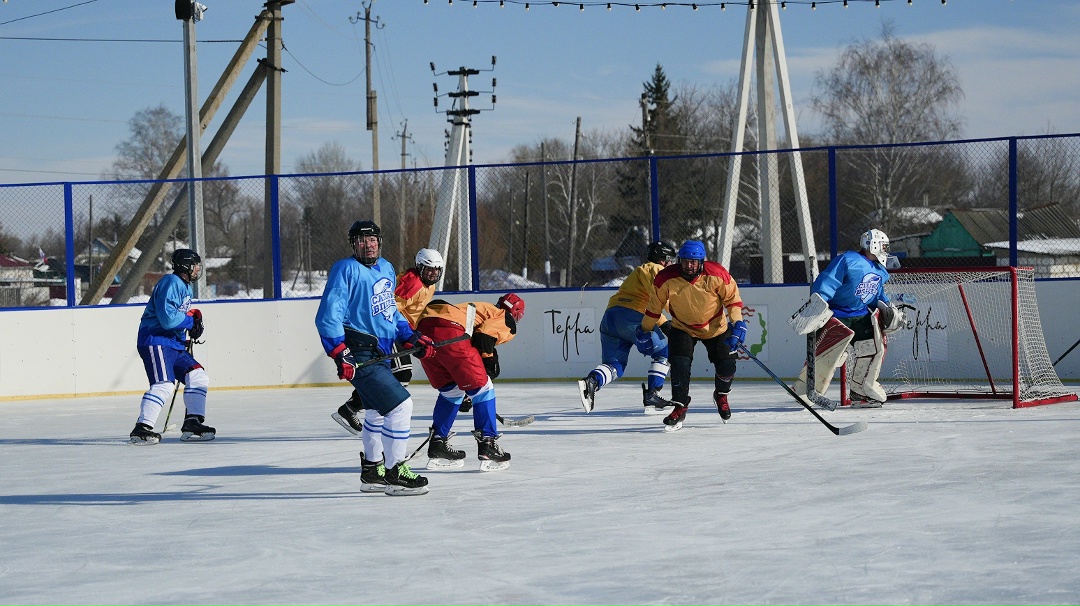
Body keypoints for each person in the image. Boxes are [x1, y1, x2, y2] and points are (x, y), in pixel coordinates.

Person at [315, 220, 437, 496]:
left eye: (372, 240)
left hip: (380, 352)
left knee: (375, 413)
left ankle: (372, 472)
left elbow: (389, 312)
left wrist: (411, 336)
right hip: (359, 352)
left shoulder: (386, 268)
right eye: (361, 240)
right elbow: (328, 316)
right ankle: (395, 472)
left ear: (379, 242)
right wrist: (339, 353)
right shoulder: (345, 269)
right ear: (353, 244)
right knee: (401, 407)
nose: (367, 245)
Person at [331, 248, 444, 435]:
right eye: (429, 269)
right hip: (392, 332)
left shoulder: (427, 285)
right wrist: (403, 334)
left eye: (436, 270)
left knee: (395, 375)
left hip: (402, 332)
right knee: (402, 374)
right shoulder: (412, 283)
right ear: (419, 267)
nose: (433, 273)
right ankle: (371, 412)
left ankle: (352, 408)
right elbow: (388, 307)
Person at [788, 228, 905, 408]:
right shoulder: (849, 260)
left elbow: (877, 295)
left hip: (861, 315)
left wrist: (887, 308)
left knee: (873, 349)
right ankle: (805, 389)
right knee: (829, 353)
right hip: (837, 315)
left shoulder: (880, 270)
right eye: (883, 245)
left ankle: (861, 392)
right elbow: (828, 281)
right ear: (872, 244)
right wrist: (819, 301)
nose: (886, 249)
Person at [641, 240, 747, 432]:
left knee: (727, 365)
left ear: (701, 262)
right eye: (685, 261)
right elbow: (654, 309)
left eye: (694, 262)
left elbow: (733, 301)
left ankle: (721, 395)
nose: (689, 266)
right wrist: (644, 329)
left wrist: (738, 323)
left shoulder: (717, 274)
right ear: (679, 260)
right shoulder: (665, 278)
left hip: (716, 327)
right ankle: (680, 407)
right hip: (683, 327)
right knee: (679, 366)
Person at [415, 294, 525, 471]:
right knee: (483, 388)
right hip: (451, 330)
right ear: (517, 313)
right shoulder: (503, 317)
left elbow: (474, 338)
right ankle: (488, 443)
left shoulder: (481, 308)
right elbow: (484, 337)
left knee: (451, 392)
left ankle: (437, 443)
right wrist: (489, 362)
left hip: (425, 330)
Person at [578, 241, 678, 414]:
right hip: (633, 318)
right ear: (663, 259)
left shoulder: (640, 271)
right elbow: (661, 298)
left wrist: (663, 323)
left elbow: (648, 303)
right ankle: (653, 394)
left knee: (615, 365)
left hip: (611, 318)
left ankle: (592, 382)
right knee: (664, 352)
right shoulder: (656, 269)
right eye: (670, 260)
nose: (671, 265)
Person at [128, 248, 214, 444]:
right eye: (195, 265)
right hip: (156, 340)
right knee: (164, 385)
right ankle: (142, 428)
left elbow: (177, 313)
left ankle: (193, 421)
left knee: (198, 375)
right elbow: (167, 318)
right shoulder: (171, 282)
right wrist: (190, 322)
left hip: (173, 344)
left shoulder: (184, 286)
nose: (198, 269)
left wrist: (192, 318)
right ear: (185, 265)